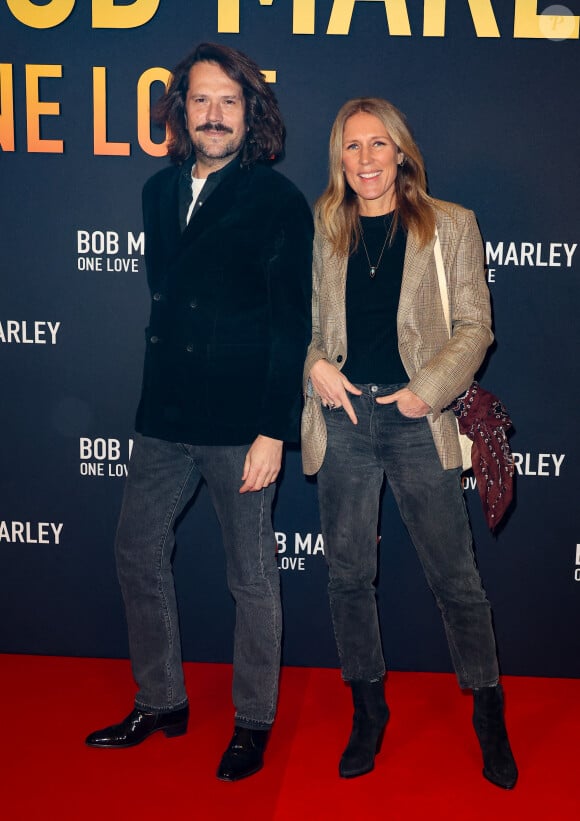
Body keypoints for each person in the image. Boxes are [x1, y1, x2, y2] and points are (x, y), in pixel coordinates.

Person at [85, 43, 312, 782]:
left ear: (253, 112)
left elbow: (289, 328)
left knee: (250, 576)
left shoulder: (277, 202)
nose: (214, 115)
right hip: (163, 415)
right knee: (135, 550)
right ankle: (161, 699)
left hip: (242, 424)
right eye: (202, 100)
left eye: (229, 101)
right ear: (181, 108)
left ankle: (253, 721)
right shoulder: (156, 190)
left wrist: (274, 429)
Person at [301, 98, 517, 788]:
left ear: (401, 152)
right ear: (340, 157)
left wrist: (429, 387)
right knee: (346, 577)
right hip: (344, 420)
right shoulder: (324, 226)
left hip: (419, 417)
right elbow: (300, 324)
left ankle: (489, 712)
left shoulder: (450, 224)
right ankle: (368, 710)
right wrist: (313, 365)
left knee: (456, 577)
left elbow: (476, 327)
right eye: (352, 146)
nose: (365, 159)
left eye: (377, 144)